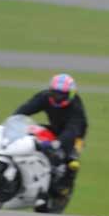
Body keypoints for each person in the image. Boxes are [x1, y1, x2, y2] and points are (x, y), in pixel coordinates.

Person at [14, 74, 88, 208]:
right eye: (55, 93)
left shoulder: (75, 106)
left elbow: (72, 129)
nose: (57, 97)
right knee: (30, 134)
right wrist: (14, 120)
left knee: (71, 161)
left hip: (75, 136)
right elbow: (26, 108)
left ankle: (63, 189)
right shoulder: (44, 97)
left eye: (62, 94)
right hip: (54, 128)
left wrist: (57, 143)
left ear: (70, 94)